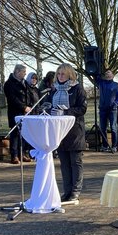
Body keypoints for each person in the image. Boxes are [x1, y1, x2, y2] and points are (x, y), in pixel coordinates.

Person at [43, 63, 87, 204]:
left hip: (75, 131)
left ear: (70, 75)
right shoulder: (53, 90)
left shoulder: (77, 89)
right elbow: (47, 105)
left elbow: (82, 108)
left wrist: (65, 112)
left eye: (63, 74)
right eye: (58, 74)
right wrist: (48, 108)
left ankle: (75, 191)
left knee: (75, 162)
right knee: (64, 163)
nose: (60, 76)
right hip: (59, 132)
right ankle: (67, 191)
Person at [4, 64, 38, 163]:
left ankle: (22, 154)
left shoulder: (25, 83)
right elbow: (12, 99)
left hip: (26, 113)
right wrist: (23, 107)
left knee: (24, 134)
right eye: (23, 72)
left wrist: (30, 106)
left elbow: (29, 95)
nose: (25, 74)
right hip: (15, 112)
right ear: (17, 72)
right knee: (15, 134)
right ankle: (14, 155)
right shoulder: (9, 84)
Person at [97, 69, 118, 152]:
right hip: (102, 109)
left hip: (113, 109)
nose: (108, 75)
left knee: (113, 128)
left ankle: (114, 146)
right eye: (106, 74)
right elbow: (96, 76)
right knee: (103, 128)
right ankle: (105, 146)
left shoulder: (116, 85)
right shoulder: (101, 83)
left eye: (109, 73)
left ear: (113, 75)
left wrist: (115, 103)